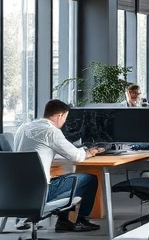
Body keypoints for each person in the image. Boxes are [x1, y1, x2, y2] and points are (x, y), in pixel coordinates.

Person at [13, 99, 103, 232]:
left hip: (14, 193)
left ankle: (63, 221)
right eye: (65, 118)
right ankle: (80, 221)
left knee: (62, 176)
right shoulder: (51, 131)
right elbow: (76, 156)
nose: (64, 122)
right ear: (60, 115)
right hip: (40, 193)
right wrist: (89, 152)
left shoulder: (24, 127)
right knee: (88, 179)